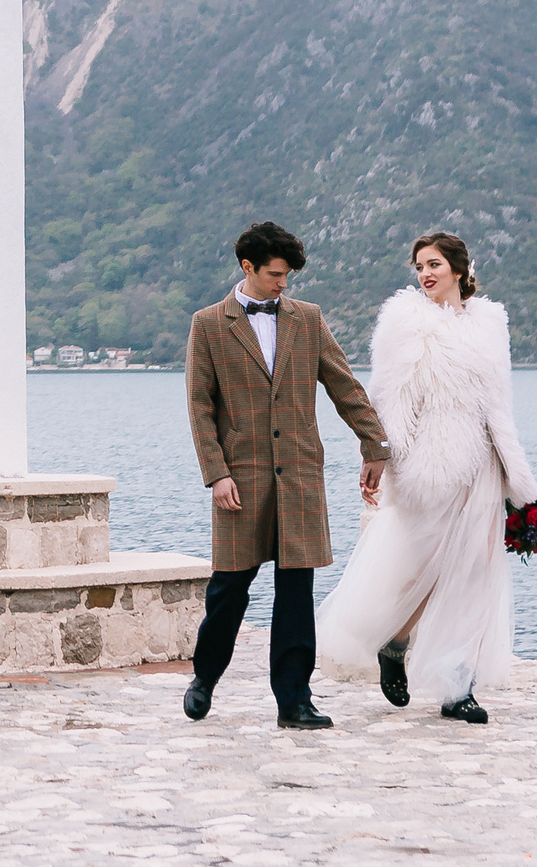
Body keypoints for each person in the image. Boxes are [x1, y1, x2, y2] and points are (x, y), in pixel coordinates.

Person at [318, 231, 537, 725]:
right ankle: (395, 644)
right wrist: (379, 459)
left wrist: (517, 478)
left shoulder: (489, 324)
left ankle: (457, 687)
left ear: (459, 270)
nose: (425, 274)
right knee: (425, 569)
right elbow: (390, 399)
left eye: (434, 263)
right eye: (419, 266)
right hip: (430, 464)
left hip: (482, 467)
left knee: (474, 576)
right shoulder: (406, 323)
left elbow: (500, 407)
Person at [182, 220, 391, 726]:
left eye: (288, 276)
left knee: (296, 592)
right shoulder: (209, 324)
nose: (284, 284)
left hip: (299, 475)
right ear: (247, 267)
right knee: (229, 589)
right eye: (276, 274)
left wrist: (376, 444)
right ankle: (205, 675)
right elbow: (199, 407)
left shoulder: (308, 319)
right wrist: (216, 474)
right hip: (240, 478)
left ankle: (294, 700)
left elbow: (345, 386)